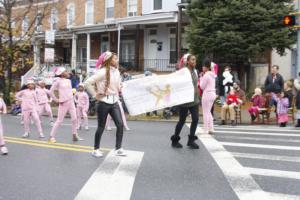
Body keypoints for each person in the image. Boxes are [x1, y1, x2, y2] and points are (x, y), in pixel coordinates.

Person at [85, 51, 126, 157]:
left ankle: (118, 148)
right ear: (108, 60)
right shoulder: (102, 72)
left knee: (120, 125)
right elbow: (87, 83)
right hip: (103, 102)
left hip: (114, 101)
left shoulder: (116, 71)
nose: (117, 60)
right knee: (101, 127)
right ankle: (96, 149)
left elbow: (117, 85)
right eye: (115, 58)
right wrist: (95, 95)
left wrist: (120, 88)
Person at [170, 54, 200, 149]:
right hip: (185, 101)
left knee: (195, 119)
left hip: (194, 100)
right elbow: (177, 83)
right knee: (182, 121)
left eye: (195, 60)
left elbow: (195, 84)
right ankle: (175, 140)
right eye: (192, 60)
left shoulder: (195, 71)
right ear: (187, 61)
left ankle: (191, 140)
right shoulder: (183, 71)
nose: (194, 61)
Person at [49, 67, 83, 143]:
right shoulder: (58, 81)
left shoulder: (68, 80)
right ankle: (52, 136)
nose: (68, 72)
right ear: (61, 74)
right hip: (63, 102)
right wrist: (56, 100)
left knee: (74, 119)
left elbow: (70, 91)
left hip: (71, 102)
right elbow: (50, 92)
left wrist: (74, 99)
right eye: (66, 71)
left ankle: (74, 135)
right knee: (59, 120)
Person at [200, 60, 217, 134]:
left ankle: (206, 129)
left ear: (205, 67)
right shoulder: (212, 75)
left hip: (207, 94)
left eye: (203, 66)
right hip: (213, 93)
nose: (202, 68)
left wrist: (200, 78)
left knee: (205, 112)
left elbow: (202, 86)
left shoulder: (206, 75)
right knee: (209, 112)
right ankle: (211, 128)